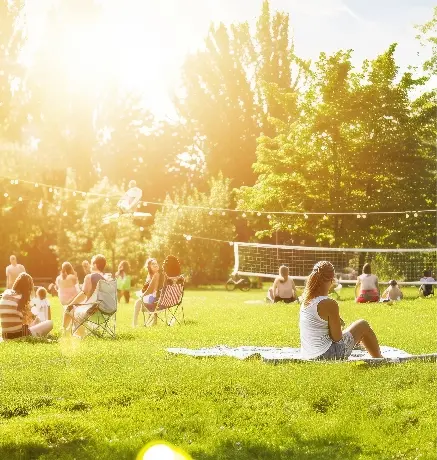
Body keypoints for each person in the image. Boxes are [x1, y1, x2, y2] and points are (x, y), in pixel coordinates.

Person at [299, 261, 383, 360]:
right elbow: (337, 338)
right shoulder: (329, 303)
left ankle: (364, 347)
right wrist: (338, 324)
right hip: (326, 355)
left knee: (354, 332)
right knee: (362, 325)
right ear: (332, 280)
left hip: (308, 354)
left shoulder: (306, 300)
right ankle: (380, 359)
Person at [62, 254, 107, 336]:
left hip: (92, 309)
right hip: (105, 310)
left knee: (69, 308)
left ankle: (68, 332)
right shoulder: (106, 278)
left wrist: (71, 304)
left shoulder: (89, 277)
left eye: (91, 262)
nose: (90, 265)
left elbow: (83, 294)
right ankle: (70, 331)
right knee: (73, 307)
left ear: (95, 265)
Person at [0, 272, 53, 340]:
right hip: (19, 335)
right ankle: (41, 337)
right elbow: (27, 323)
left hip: (5, 335)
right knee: (49, 323)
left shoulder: (6, 293)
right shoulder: (22, 299)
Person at [133, 258, 160, 327]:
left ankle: (135, 323)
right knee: (141, 299)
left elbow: (150, 290)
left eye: (156, 263)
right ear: (149, 267)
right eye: (153, 264)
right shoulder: (151, 275)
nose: (155, 265)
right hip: (156, 297)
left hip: (155, 297)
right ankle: (153, 320)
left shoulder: (156, 275)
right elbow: (147, 288)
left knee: (138, 302)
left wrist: (142, 296)